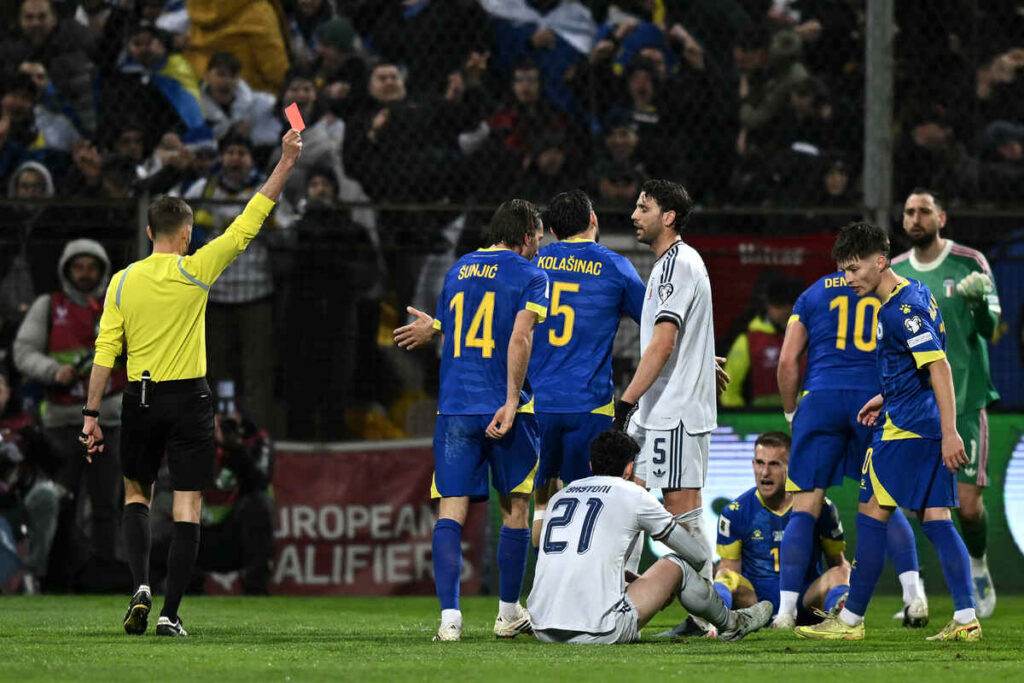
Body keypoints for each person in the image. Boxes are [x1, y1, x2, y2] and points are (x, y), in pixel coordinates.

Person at [79, 129, 302, 637]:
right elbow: (249, 221)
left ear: (149, 232)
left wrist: (91, 415)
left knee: (136, 496)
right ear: (185, 234)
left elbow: (105, 351)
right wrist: (286, 161)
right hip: (188, 400)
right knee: (188, 506)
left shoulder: (122, 281)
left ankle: (140, 584)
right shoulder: (195, 270)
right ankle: (170, 613)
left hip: (138, 397)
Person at [795, 221, 980, 642]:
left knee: (871, 518)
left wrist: (951, 431)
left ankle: (849, 622)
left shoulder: (901, 310)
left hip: (907, 430)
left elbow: (939, 365)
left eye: (854, 268)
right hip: (919, 419)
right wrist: (886, 395)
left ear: (880, 262)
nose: (848, 278)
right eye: (843, 270)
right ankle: (966, 618)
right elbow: (920, 364)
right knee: (937, 521)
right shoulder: (914, 293)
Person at [393, 199, 549, 642]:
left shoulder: (458, 269)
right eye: (538, 238)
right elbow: (518, 337)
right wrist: (511, 400)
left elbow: (466, 324)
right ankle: (507, 613)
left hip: (456, 406)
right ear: (525, 236)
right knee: (516, 508)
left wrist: (435, 327)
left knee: (451, 510)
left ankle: (449, 621)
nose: (539, 246)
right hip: (503, 405)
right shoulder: (532, 275)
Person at [776, 262, 928, 629]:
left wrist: (792, 412)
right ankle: (914, 596)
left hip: (820, 400)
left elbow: (786, 361)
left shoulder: (812, 293)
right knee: (882, 502)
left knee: (804, 508)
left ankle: (784, 612)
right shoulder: (890, 290)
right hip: (873, 400)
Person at [526, 429, 773, 644]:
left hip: (543, 627)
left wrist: (631, 578)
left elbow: (576, 555)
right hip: (599, 631)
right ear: (629, 468)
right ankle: (732, 623)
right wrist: (669, 584)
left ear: (591, 465)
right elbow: (697, 556)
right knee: (678, 564)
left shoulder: (562, 496)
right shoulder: (633, 494)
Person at [891, 188, 1002, 618]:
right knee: (918, 504)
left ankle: (978, 563)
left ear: (942, 218)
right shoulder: (896, 271)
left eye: (924, 211)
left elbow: (991, 329)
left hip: (965, 399)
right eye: (909, 212)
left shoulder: (970, 263)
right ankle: (918, 593)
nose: (915, 218)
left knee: (968, 507)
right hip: (917, 405)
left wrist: (978, 306)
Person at [525, 190, 645, 550]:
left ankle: (541, 579)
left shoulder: (532, 263)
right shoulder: (615, 266)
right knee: (587, 507)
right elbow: (657, 324)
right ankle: (585, 581)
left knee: (543, 505)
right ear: (593, 220)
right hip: (589, 406)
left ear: (552, 231)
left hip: (538, 405)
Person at [13, 239, 125, 584]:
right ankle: (57, 576)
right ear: (66, 270)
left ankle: (104, 575)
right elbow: (23, 351)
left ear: (102, 270)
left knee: (107, 504)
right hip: (61, 422)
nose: (85, 273)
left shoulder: (118, 305)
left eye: (91, 267)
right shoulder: (49, 306)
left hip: (108, 420)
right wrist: (52, 371)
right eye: (78, 267)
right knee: (59, 502)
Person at [186, 133, 276, 428]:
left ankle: (256, 432)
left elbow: (288, 231)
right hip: (214, 294)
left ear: (251, 159)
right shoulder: (204, 189)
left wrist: (272, 225)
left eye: (242, 153)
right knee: (217, 368)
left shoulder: (268, 189)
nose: (235, 158)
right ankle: (220, 430)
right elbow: (176, 225)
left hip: (256, 291)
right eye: (230, 152)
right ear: (221, 157)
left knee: (256, 370)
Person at [714, 432, 850, 625]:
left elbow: (837, 562)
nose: (764, 472)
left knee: (842, 572)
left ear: (791, 467)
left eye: (774, 464)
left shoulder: (821, 508)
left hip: (806, 602)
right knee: (725, 575)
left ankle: (844, 621)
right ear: (753, 464)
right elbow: (730, 569)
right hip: (756, 603)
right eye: (760, 463)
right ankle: (712, 622)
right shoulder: (735, 512)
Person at [196, 409, 275, 595]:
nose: (226, 428)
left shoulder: (256, 441)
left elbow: (260, 480)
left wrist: (237, 448)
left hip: (236, 536)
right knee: (164, 512)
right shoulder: (194, 439)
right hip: (199, 534)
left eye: (231, 423)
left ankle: (256, 588)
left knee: (260, 504)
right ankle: (179, 585)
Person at [720, 275, 802, 409]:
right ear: (768, 306)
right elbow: (729, 388)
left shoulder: (809, 337)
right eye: (778, 305)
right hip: (762, 417)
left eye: (789, 305)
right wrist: (741, 417)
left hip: (803, 416)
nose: (784, 311)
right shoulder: (748, 340)